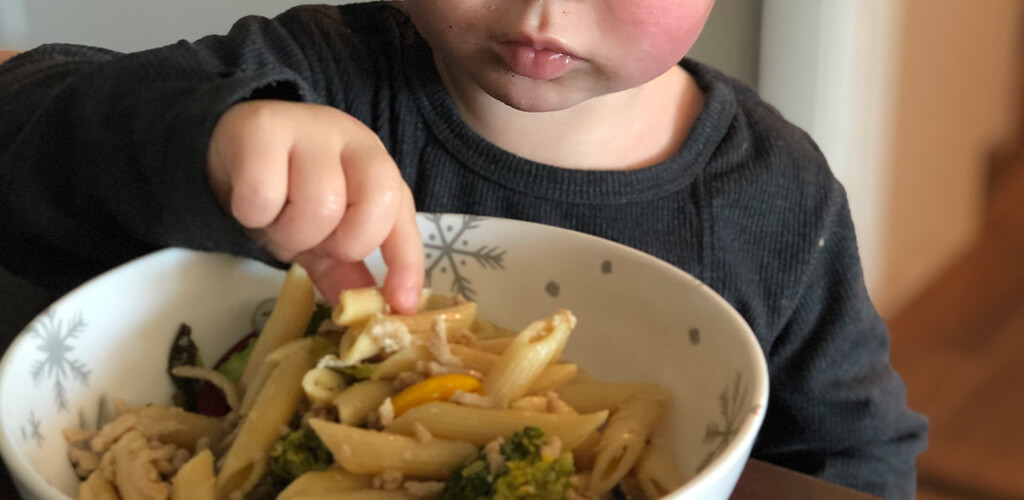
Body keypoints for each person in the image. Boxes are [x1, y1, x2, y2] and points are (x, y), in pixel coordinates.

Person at [0, 1, 927, 498]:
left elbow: (853, 453)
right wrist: (214, 137)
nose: (546, 7)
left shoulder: (779, 199)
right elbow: (23, 121)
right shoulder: (314, 76)